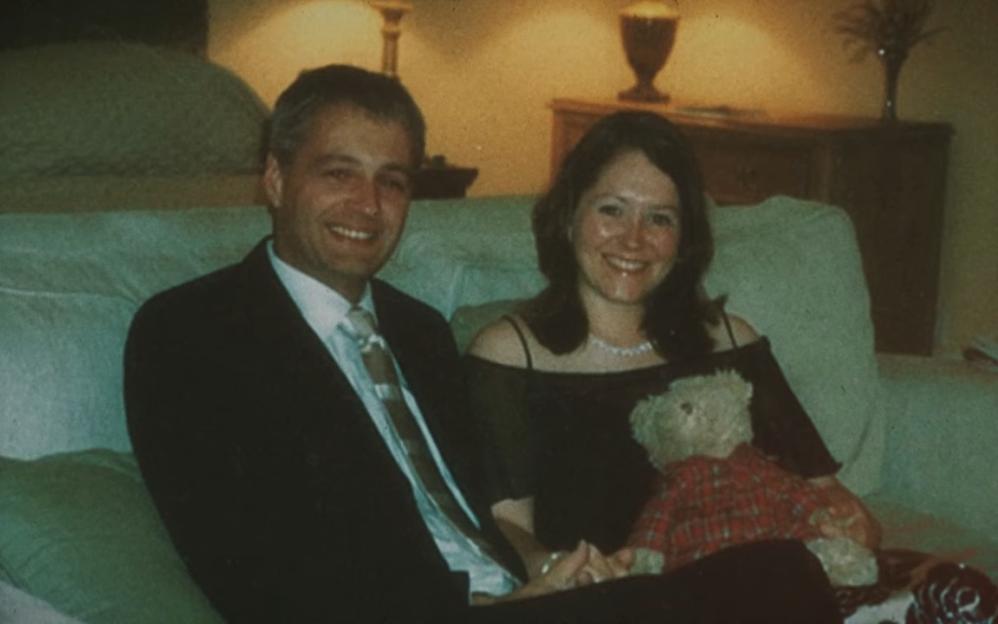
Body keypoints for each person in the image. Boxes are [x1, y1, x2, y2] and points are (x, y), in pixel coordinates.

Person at [125, 65, 841, 623]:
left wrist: (547, 569)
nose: (367, 207)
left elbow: (487, 512)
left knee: (777, 572)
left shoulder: (416, 330)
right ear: (276, 179)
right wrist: (476, 604)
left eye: (391, 182)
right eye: (338, 174)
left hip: (515, 603)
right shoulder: (194, 332)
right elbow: (251, 571)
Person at [466, 110, 881, 610]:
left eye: (659, 218)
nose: (633, 239)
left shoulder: (730, 342)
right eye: (612, 210)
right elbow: (506, 523)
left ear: (684, 238)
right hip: (609, 602)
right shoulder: (509, 354)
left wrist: (853, 524)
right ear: (570, 215)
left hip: (747, 593)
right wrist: (552, 567)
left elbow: (826, 492)